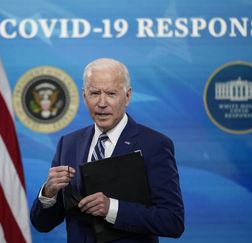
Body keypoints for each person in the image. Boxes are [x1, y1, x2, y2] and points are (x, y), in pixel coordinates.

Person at [30, 58, 184, 242]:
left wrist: (111, 208)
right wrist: (48, 192)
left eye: (111, 93)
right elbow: (42, 224)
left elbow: (172, 221)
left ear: (127, 96)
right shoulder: (68, 144)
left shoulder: (154, 145)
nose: (102, 103)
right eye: (95, 93)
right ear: (84, 96)